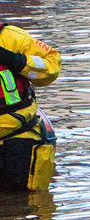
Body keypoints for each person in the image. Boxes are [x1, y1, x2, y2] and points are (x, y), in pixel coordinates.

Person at [0, 17, 61, 192]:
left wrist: (18, 61)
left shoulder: (11, 37)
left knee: (26, 208)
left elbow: (52, 66)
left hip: (18, 140)